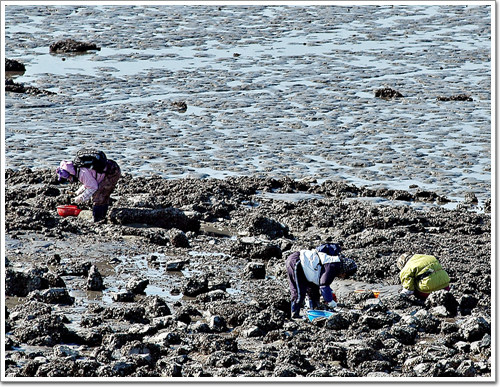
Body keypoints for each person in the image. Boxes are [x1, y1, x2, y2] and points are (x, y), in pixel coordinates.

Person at [285, 243, 357, 319]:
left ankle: (313, 310)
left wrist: (330, 293)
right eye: (346, 275)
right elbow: (324, 285)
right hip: (297, 262)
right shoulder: (333, 265)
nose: (343, 277)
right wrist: (330, 301)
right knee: (299, 291)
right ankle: (294, 314)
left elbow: (322, 282)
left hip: (307, 268)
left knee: (313, 291)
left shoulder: (335, 264)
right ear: (345, 270)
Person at [56, 151, 121, 222]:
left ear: (71, 173)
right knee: (101, 194)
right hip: (109, 167)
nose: (69, 180)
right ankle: (102, 215)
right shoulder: (77, 167)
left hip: (112, 172)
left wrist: (79, 199)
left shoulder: (82, 173)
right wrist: (77, 192)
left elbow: (93, 187)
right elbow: (88, 183)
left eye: (69, 178)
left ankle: (98, 219)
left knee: (99, 196)